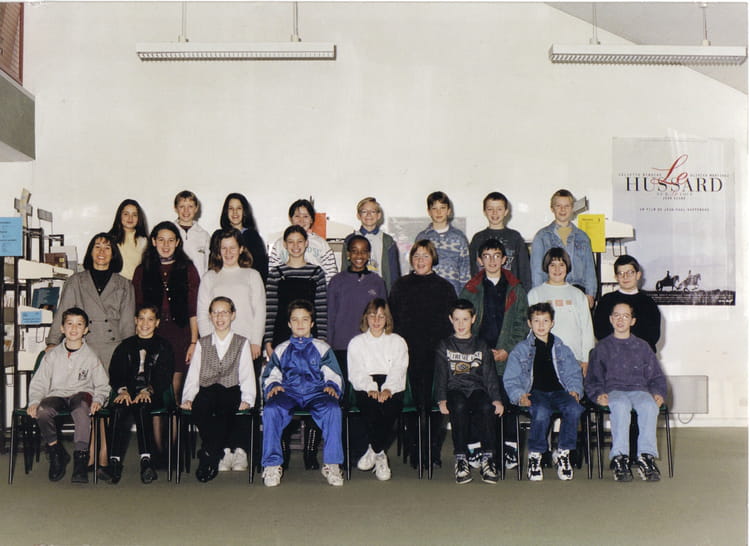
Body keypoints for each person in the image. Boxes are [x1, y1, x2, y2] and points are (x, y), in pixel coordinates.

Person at [45, 231, 135, 477]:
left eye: (107, 248)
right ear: (90, 251)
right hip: (83, 349)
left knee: (105, 405)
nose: (102, 252)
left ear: (113, 254)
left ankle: (103, 456)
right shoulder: (76, 281)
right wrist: (52, 342)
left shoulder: (124, 284)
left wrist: (130, 355)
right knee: (87, 404)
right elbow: (63, 313)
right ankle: (90, 455)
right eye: (97, 246)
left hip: (113, 350)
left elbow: (128, 325)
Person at [459, 238, 528, 469]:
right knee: (478, 401)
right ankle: (476, 445)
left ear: (504, 259)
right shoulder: (470, 288)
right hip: (479, 355)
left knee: (507, 400)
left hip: (506, 355)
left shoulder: (516, 288)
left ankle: (509, 447)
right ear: (479, 260)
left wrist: (507, 349)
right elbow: (463, 323)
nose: (492, 261)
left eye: (497, 256)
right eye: (486, 256)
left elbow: (521, 323)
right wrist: (480, 350)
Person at [260, 299, 344, 487]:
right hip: (289, 391)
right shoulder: (281, 349)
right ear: (289, 323)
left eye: (305, 319)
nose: (300, 324)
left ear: (312, 323)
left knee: (333, 409)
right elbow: (270, 374)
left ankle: (332, 464)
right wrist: (274, 385)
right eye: (295, 320)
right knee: (271, 409)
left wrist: (331, 385)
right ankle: (272, 465)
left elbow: (334, 373)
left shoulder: (322, 348)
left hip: (316, 392)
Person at [264, 225, 328, 469]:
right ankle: (282, 452)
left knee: (314, 391)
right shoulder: (276, 274)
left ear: (306, 243)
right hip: (282, 341)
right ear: (284, 245)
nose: (295, 246)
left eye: (299, 241)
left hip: (312, 341)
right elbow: (271, 309)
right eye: (290, 241)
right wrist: (268, 341)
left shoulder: (316, 273)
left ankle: (311, 451)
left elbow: (321, 310)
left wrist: (323, 341)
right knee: (283, 394)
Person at [389, 239, 455, 468]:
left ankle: (433, 449)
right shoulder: (400, 286)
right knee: (412, 405)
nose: (420, 260)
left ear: (433, 259)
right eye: (416, 256)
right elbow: (393, 322)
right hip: (407, 355)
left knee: (436, 405)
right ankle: (415, 448)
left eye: (425, 256)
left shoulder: (445, 288)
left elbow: (451, 326)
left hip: (436, 356)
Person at [585, 301, 667, 482]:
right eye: (616, 315)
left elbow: (656, 376)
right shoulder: (602, 348)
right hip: (614, 390)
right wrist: (598, 394)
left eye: (625, 316)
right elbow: (593, 379)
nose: (620, 320)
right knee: (620, 406)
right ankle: (620, 457)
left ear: (633, 321)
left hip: (639, 389)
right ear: (610, 319)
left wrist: (658, 392)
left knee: (649, 406)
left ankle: (646, 456)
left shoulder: (643, 347)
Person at [29, 307, 110, 484]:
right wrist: (34, 401)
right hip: (57, 394)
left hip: (81, 394)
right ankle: (56, 452)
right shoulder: (52, 355)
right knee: (42, 410)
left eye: (79, 324)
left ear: (86, 329)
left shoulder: (91, 356)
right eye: (69, 324)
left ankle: (80, 460)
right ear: (62, 328)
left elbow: (103, 385)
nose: (74, 328)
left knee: (82, 409)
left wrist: (98, 399)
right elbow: (39, 382)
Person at [504, 303, 584, 481]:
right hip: (535, 392)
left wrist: (575, 390)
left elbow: (573, 373)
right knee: (541, 412)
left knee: (574, 409)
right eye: (536, 321)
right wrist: (519, 395)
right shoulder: (520, 350)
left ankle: (563, 453)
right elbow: (511, 378)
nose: (541, 325)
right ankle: (535, 454)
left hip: (559, 391)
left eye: (545, 321)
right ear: (529, 323)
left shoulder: (562, 348)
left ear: (552, 323)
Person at [181, 296, 256, 482]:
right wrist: (188, 397)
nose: (219, 317)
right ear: (210, 316)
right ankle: (214, 450)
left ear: (233, 315)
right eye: (215, 313)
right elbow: (193, 374)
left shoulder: (242, 342)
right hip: (207, 389)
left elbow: (247, 373)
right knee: (200, 408)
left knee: (224, 407)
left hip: (231, 389)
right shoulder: (202, 343)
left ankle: (209, 454)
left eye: (224, 312)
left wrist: (248, 398)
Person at [435, 300, 504, 485]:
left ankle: (488, 458)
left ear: (473, 319)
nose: (461, 324)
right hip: (454, 389)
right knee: (458, 406)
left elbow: (490, 375)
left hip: (476, 389)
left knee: (487, 407)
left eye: (465, 319)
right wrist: (441, 399)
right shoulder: (444, 345)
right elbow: (440, 375)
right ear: (451, 319)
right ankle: (461, 458)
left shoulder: (481, 345)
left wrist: (496, 400)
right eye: (457, 319)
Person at [132, 221, 200, 405]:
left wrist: (194, 342)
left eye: (170, 240)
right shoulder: (142, 270)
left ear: (177, 242)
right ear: (154, 241)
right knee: (153, 392)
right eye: (161, 240)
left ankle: (175, 426)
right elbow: (137, 309)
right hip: (152, 335)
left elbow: (193, 310)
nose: (166, 245)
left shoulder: (188, 269)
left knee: (175, 393)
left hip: (180, 336)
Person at [107, 304, 175, 484]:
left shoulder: (164, 346)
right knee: (117, 408)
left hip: (153, 392)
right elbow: (115, 373)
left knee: (143, 406)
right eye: (142, 319)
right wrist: (122, 390)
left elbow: (164, 376)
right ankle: (114, 462)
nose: (145, 324)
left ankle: (146, 461)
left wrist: (149, 390)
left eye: (150, 319)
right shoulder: (125, 346)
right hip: (128, 392)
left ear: (157, 322)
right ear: (135, 321)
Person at [347, 299, 408, 481]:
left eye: (381, 316)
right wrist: (371, 388)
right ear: (366, 317)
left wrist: (388, 389)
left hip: (392, 384)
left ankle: (373, 450)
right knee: (371, 407)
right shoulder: (356, 342)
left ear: (387, 319)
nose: (376, 320)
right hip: (365, 384)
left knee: (389, 408)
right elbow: (356, 371)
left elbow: (399, 369)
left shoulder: (398, 341)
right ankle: (380, 454)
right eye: (372, 315)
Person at [528, 247, 595, 376]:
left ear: (567, 267)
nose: (557, 269)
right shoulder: (535, 294)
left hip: (574, 358)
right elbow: (530, 331)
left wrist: (586, 359)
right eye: (553, 265)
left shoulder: (578, 295)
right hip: (544, 359)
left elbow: (587, 329)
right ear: (546, 267)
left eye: (561, 265)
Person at [327, 235, 387, 373]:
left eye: (363, 251)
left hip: (369, 345)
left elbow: (384, 316)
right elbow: (330, 316)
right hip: (342, 345)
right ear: (348, 254)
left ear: (369, 255)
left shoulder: (377, 282)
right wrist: (329, 344)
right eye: (354, 251)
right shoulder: (336, 281)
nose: (359, 255)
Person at [530, 189, 597, 308]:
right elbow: (537, 271)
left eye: (567, 206)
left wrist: (590, 293)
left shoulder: (583, 237)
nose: (562, 210)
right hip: (550, 291)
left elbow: (589, 268)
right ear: (552, 208)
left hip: (578, 290)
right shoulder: (542, 236)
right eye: (558, 206)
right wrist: (539, 295)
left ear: (572, 208)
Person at [593, 254, 661, 352]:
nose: (625, 277)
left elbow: (653, 335)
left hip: (640, 354)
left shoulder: (648, 303)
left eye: (630, 272)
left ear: (638, 275)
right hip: (613, 354)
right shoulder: (606, 300)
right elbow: (600, 331)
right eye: (620, 273)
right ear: (616, 277)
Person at [469, 192, 531, 291]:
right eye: (490, 209)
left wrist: (524, 294)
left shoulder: (515, 237)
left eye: (499, 209)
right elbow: (473, 269)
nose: (494, 213)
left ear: (506, 211)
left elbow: (525, 271)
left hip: (511, 293)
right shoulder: (478, 238)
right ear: (484, 212)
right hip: (484, 292)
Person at [268, 199, 338, 284]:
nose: (301, 220)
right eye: (297, 216)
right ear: (291, 219)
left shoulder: (321, 244)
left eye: (305, 216)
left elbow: (331, 275)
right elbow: (272, 273)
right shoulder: (279, 244)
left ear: (311, 219)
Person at [415, 191, 470, 295]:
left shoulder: (459, 238)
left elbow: (465, 271)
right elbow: (415, 268)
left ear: (449, 211)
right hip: (426, 293)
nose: (438, 212)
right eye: (434, 208)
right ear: (429, 211)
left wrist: (464, 297)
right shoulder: (422, 237)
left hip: (453, 294)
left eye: (442, 208)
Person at [341, 197, 401, 292]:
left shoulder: (388, 241)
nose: (368, 214)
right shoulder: (349, 240)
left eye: (373, 211)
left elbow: (394, 274)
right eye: (364, 211)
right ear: (358, 215)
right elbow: (345, 270)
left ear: (379, 215)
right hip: (356, 292)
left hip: (380, 292)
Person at [219, 193, 269, 284]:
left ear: (245, 211)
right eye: (231, 208)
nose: (235, 212)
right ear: (226, 212)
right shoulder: (218, 236)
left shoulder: (253, 237)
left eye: (239, 208)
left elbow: (261, 268)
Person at [108, 199, 149, 280]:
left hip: (136, 283)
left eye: (134, 215)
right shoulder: (110, 239)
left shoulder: (144, 241)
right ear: (120, 215)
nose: (130, 218)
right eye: (126, 214)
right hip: (115, 283)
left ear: (139, 218)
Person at [174, 190, 211, 276]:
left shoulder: (204, 235)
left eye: (190, 206)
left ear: (196, 208)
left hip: (199, 282)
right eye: (182, 206)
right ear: (175, 208)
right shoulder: (170, 232)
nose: (186, 210)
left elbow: (207, 265)